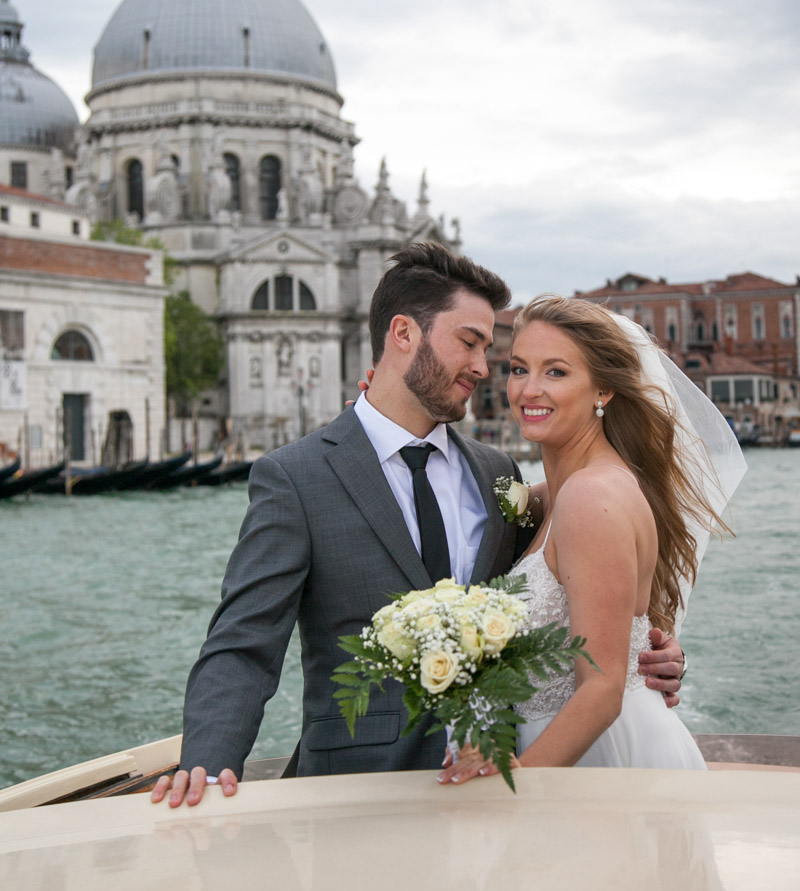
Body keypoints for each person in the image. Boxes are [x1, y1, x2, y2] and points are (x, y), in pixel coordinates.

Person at [153, 250, 684, 807]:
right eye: (469, 343)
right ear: (404, 334)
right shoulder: (297, 478)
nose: (483, 368)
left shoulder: (498, 475)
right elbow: (243, 644)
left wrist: (653, 652)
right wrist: (206, 767)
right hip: (357, 791)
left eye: (488, 350)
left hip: (495, 779)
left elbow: (584, 586)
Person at [438, 295, 744, 785]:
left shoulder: (590, 496)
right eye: (519, 369)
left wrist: (515, 783)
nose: (529, 390)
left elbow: (602, 690)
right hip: (569, 749)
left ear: (603, 388)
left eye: (556, 372)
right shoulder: (548, 497)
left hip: (600, 759)